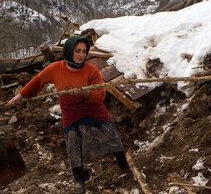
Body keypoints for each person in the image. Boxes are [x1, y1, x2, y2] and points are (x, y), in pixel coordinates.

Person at [7, 36, 128, 193]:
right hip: (71, 113)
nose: (81, 55)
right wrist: (20, 96)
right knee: (73, 146)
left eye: (84, 51)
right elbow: (37, 81)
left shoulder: (91, 70)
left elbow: (101, 95)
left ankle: (123, 165)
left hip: (94, 111)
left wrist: (86, 94)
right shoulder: (55, 68)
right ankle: (80, 180)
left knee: (112, 139)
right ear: (69, 51)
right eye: (77, 51)